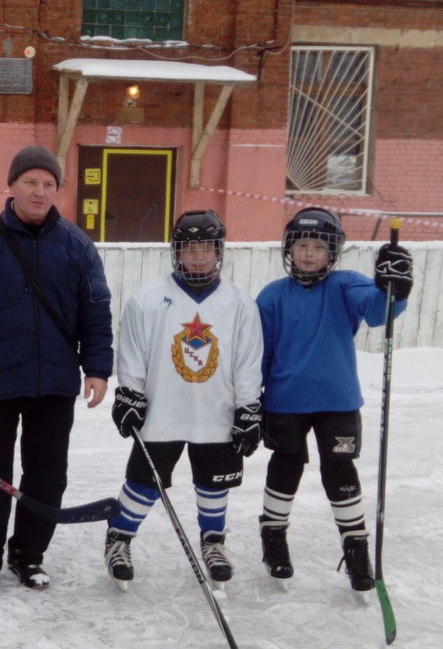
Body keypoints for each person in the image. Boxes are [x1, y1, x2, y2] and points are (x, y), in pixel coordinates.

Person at [0, 145, 113, 596]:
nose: (39, 191)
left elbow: (96, 309)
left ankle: (28, 555)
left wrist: (97, 368)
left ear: (57, 190)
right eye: (30, 182)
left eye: (48, 184)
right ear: (12, 185)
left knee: (48, 474)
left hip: (54, 385)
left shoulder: (76, 244)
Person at [255, 207, 414, 592]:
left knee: (340, 469)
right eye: (301, 245)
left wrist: (396, 287)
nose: (308, 253)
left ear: (334, 252)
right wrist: (249, 400)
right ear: (288, 249)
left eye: (318, 247)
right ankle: (274, 537)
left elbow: (379, 311)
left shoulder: (346, 284)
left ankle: (356, 547)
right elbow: (259, 353)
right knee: (286, 465)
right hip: (285, 401)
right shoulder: (272, 296)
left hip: (338, 401)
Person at [103, 210, 263, 590]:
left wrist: (249, 407)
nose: (197, 257)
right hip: (161, 410)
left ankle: (213, 542)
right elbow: (133, 352)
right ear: (176, 251)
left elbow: (247, 360)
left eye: (205, 249)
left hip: (218, 412)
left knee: (213, 482)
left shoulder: (239, 302)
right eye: (189, 248)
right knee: (144, 481)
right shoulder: (148, 298)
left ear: (218, 251)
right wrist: (130, 392)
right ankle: (119, 538)